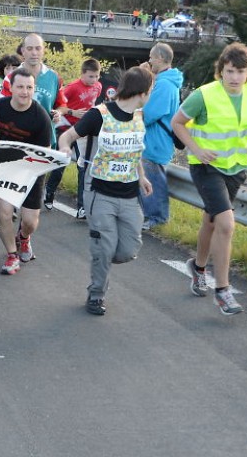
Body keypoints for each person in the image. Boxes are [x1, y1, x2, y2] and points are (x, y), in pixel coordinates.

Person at [172, 42, 247, 315]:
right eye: (230, 71)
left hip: (237, 168)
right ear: (220, 71)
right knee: (226, 223)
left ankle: (198, 267)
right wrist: (198, 150)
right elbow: (177, 123)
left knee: (211, 221)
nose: (235, 77)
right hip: (206, 166)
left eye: (240, 71)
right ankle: (223, 291)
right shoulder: (204, 95)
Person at [59, 67, 154, 316]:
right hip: (99, 192)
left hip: (130, 195)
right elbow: (67, 136)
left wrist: (142, 177)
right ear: (142, 92)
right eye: (150, 91)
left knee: (127, 250)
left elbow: (135, 151)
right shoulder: (99, 115)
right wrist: (65, 149)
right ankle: (96, 294)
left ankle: (102, 255)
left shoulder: (138, 116)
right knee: (104, 247)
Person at [0, 68, 53, 275]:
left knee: (29, 222)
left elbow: (45, 155)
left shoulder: (40, 118)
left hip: (31, 171)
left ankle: (24, 238)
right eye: (20, 87)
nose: (24, 92)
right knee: (5, 213)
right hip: (2, 169)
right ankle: (11, 256)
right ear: (11, 88)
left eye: (29, 87)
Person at [139, 43, 183, 230]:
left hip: (156, 142)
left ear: (162, 59)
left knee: (153, 180)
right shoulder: (167, 81)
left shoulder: (165, 84)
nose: (149, 61)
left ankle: (157, 217)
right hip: (157, 140)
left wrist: (134, 117)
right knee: (150, 178)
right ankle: (150, 215)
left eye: (152, 57)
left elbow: (150, 113)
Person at [52, 58, 103, 218]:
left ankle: (82, 207)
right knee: (60, 164)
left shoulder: (98, 87)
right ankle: (48, 193)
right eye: (90, 76)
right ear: (82, 74)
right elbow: (57, 105)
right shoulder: (72, 88)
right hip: (67, 128)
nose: (94, 80)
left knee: (84, 167)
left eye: (96, 76)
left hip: (84, 131)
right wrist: (73, 112)